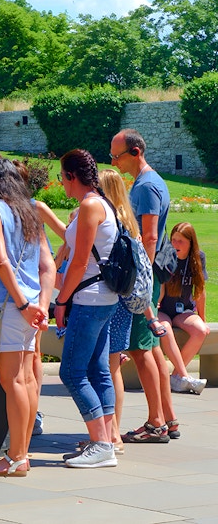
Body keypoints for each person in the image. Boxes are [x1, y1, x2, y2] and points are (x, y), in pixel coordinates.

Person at [0, 159, 55, 477]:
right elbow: (47, 266)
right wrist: (40, 306)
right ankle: (19, 454)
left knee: (13, 381)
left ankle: (15, 457)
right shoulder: (29, 212)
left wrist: (22, 305)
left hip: (9, 305)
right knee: (26, 379)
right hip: (29, 306)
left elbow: (1, 260)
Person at [110, 129, 178, 443]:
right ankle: (168, 418)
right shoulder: (148, 183)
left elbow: (150, 236)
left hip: (141, 279)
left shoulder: (148, 185)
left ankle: (156, 423)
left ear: (135, 152)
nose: (113, 161)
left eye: (117, 155)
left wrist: (140, 276)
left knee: (140, 350)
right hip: (146, 278)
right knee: (150, 348)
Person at [54, 149, 119, 469]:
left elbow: (79, 263)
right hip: (104, 297)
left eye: (61, 177)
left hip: (89, 299)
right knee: (97, 369)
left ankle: (102, 443)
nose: (61, 184)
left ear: (71, 176)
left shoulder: (90, 206)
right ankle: (107, 438)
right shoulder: (102, 203)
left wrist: (61, 300)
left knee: (72, 372)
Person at [12, 158, 67, 437]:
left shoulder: (34, 207)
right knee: (29, 355)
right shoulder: (7, 210)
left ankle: (32, 414)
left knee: (32, 354)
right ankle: (28, 414)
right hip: (28, 290)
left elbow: (70, 235)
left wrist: (60, 258)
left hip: (30, 291)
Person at [97, 168, 139, 454]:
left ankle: (111, 435)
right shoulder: (128, 221)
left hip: (110, 298)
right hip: (125, 300)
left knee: (107, 367)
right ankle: (113, 433)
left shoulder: (109, 220)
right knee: (113, 367)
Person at [158, 222, 209, 395]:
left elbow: (200, 290)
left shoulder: (198, 258)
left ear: (190, 243)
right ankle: (184, 377)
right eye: (173, 240)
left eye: (181, 241)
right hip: (162, 309)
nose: (176, 245)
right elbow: (159, 287)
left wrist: (202, 317)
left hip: (184, 310)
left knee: (201, 331)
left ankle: (175, 377)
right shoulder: (165, 257)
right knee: (165, 329)